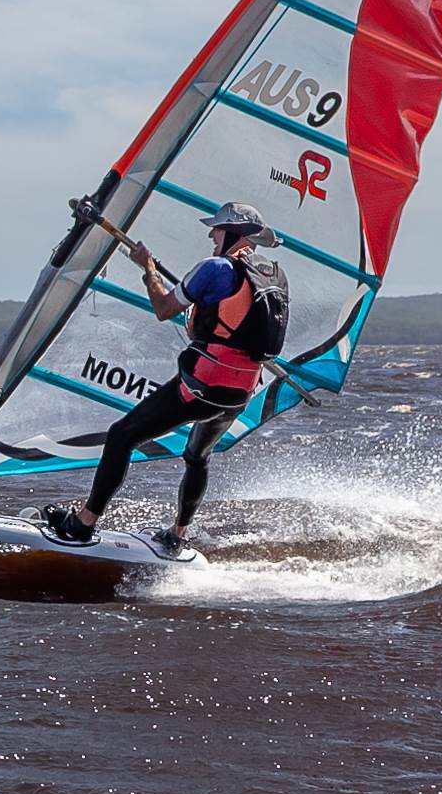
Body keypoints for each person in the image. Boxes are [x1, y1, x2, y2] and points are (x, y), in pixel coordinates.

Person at [41, 201, 289, 554]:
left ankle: (83, 524)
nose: (211, 234)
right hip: (241, 391)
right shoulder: (272, 276)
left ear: (234, 233)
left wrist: (148, 270)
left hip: (204, 386)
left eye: (217, 229)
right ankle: (178, 532)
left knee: (121, 436)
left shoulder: (215, 268)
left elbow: (164, 308)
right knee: (197, 456)